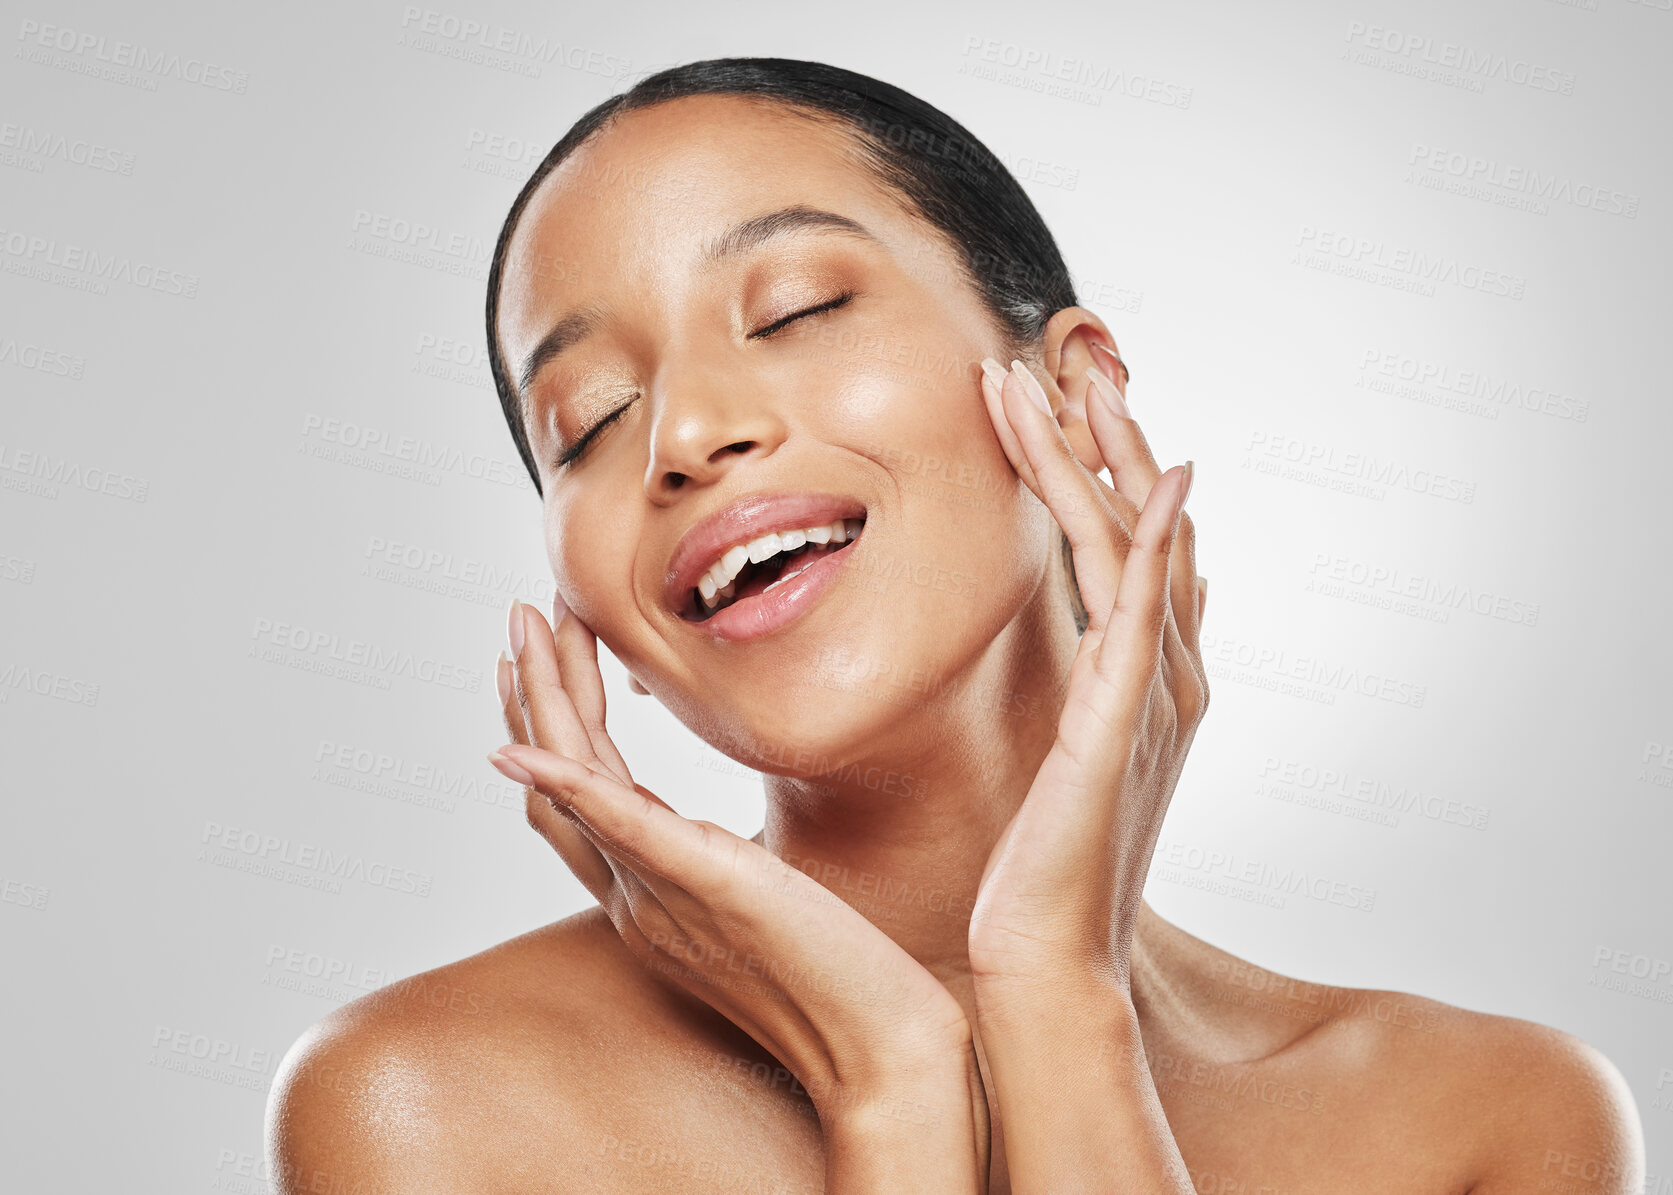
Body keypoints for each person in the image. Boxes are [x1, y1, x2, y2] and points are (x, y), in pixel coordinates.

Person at [267, 58, 1643, 1193]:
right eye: (590, 422)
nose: (682, 437)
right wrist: (890, 1083)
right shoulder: (431, 1107)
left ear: (1069, 392)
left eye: (797, 308)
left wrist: (1052, 993)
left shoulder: (1491, 1122)